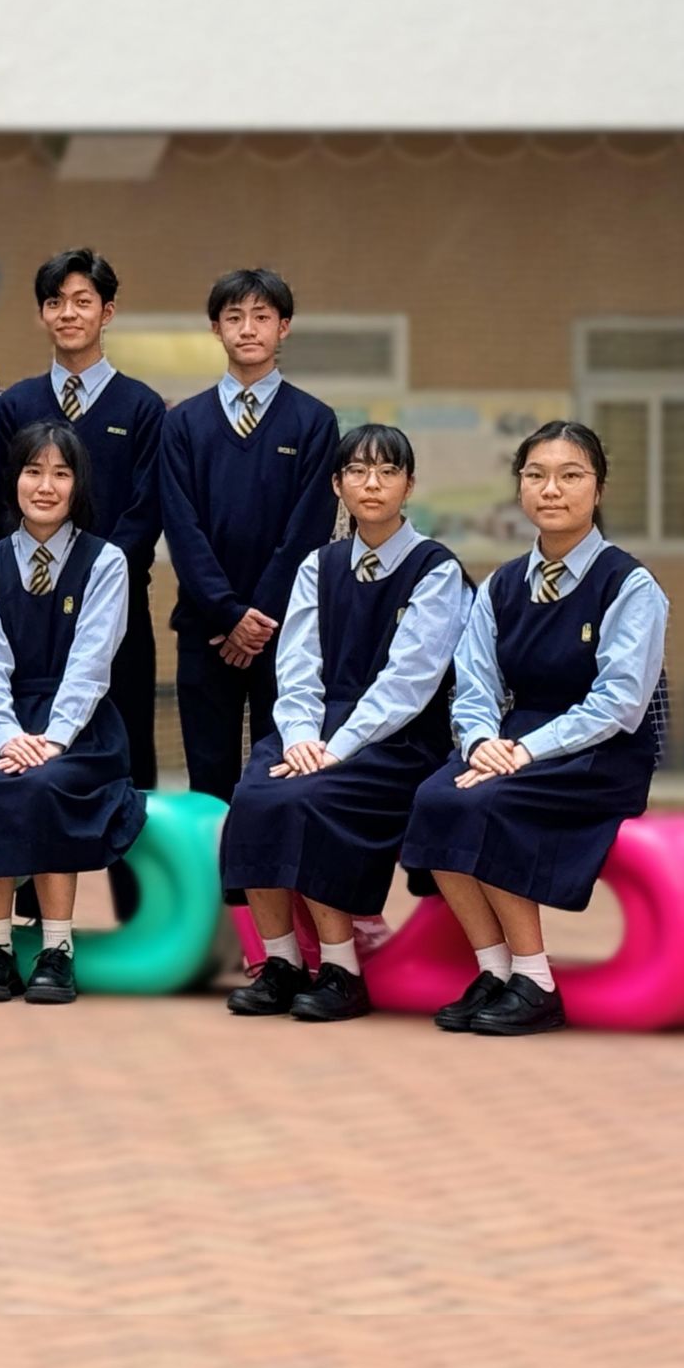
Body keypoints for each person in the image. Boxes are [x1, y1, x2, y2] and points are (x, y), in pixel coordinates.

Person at [401, 420, 667, 1036]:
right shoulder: (501, 585)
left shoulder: (629, 585)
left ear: (597, 489)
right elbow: (475, 686)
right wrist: (480, 741)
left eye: (571, 476)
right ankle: (495, 972)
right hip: (511, 744)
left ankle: (537, 982)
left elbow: (620, 705)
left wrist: (524, 750)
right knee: (436, 797)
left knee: (487, 804)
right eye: (536, 475)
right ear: (519, 488)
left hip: (600, 754)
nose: (552, 489)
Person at [219, 425, 472, 1022]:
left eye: (387, 471)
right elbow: (298, 664)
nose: (372, 483)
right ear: (338, 485)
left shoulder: (435, 569)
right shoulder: (318, 565)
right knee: (256, 794)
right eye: (357, 471)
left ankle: (340, 969)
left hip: (397, 736)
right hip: (315, 727)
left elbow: (410, 682)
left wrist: (338, 747)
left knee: (315, 797)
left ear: (409, 485)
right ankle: (280, 963)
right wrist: (303, 736)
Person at [0, 422, 147, 1005]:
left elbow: (92, 662)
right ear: (13, 480)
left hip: (80, 726)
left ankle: (57, 948)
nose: (45, 486)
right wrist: (9, 735)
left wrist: (54, 738)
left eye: (60, 473)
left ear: (77, 484)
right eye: (33, 471)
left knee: (47, 784)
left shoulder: (106, 561)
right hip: (3, 719)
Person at [159, 268, 340, 806]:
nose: (248, 329)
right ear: (216, 328)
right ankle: (214, 892)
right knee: (208, 781)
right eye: (234, 317)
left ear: (283, 327)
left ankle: (267, 893)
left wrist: (256, 619)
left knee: (280, 776)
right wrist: (226, 615)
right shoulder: (184, 423)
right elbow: (181, 528)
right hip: (205, 631)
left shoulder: (314, 422)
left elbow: (308, 529)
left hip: (285, 633)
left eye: (262, 317)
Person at [0, 249, 164, 791]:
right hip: (29, 608)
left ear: (106, 313)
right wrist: (44, 576)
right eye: (55, 302)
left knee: (129, 759)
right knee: (27, 758)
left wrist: (95, 579)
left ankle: (135, 878)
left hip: (121, 609)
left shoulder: (142, 407)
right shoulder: (15, 403)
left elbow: (148, 507)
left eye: (82, 301)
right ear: (43, 314)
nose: (68, 313)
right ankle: (25, 878)